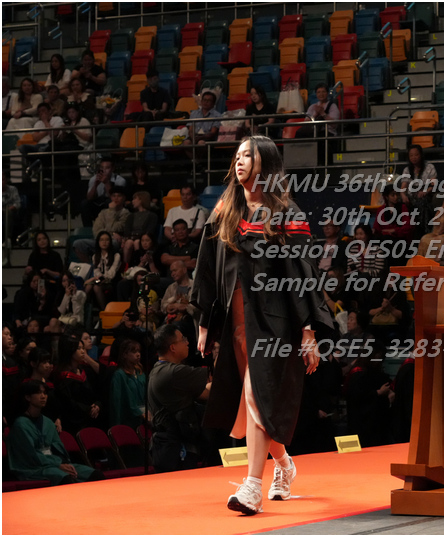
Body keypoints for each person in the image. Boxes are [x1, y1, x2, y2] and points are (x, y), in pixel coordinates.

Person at [190, 135, 333, 515]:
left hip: (276, 325)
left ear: (265, 163)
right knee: (258, 403)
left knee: (256, 396)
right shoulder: (226, 209)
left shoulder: (286, 212)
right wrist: (204, 323)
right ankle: (283, 464)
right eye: (237, 156)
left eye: (247, 156)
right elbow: (207, 267)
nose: (239, 162)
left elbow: (303, 275)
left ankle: (252, 487)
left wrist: (308, 332)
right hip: (237, 327)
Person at [7, 380, 104, 485]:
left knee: (95, 474)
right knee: (64, 477)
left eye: (45, 393)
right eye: (38, 393)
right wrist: (57, 465)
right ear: (28, 397)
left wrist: (63, 464)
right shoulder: (21, 424)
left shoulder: (48, 422)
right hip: (34, 468)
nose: (43, 396)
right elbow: (30, 455)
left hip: (54, 463)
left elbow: (58, 447)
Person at [149, 325, 211, 472]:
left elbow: (205, 394)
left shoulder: (160, 369)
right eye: (183, 339)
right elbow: (213, 382)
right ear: (172, 347)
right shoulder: (173, 372)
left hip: (170, 445)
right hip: (173, 448)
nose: (187, 342)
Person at [55, 335, 106, 434]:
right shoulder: (63, 376)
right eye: (79, 349)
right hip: (74, 421)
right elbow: (68, 403)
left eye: (83, 348)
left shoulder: (86, 371)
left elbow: (97, 391)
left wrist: (97, 404)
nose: (83, 351)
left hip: (93, 417)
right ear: (70, 351)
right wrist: (88, 409)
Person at [75, 187, 130, 263]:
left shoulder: (125, 213)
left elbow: (116, 227)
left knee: (111, 243)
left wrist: (112, 211)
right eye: (114, 196)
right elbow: (96, 229)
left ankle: (108, 265)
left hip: (115, 241)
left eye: (119, 196)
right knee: (78, 244)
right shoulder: (103, 212)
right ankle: (91, 266)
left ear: (123, 198)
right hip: (101, 239)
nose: (116, 198)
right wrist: (111, 234)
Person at [400, 145, 437, 238]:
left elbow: (433, 184)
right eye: (411, 155)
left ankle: (423, 231)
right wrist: (403, 195)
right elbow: (403, 187)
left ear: (421, 155)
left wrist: (425, 192)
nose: (414, 157)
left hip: (426, 194)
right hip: (411, 195)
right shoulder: (407, 170)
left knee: (422, 202)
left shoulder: (429, 167)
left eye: (416, 155)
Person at [108, 339, 146, 429]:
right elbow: (119, 401)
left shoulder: (140, 373)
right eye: (134, 352)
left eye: (138, 351)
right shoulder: (119, 375)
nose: (138, 354)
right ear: (124, 354)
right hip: (128, 419)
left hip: (143, 417)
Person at [81, 156, 127, 227]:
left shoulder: (120, 180)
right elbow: (89, 198)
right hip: (98, 203)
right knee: (84, 204)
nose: (104, 170)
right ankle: (88, 229)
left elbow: (115, 199)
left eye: (107, 168)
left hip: (111, 204)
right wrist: (95, 185)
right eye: (102, 168)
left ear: (113, 169)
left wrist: (106, 183)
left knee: (109, 202)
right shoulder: (93, 179)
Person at [17, 102, 64, 170]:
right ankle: (38, 164)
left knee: (44, 150)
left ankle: (38, 165)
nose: (42, 113)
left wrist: (45, 122)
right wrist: (48, 130)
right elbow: (35, 138)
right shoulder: (38, 123)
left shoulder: (57, 119)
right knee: (22, 147)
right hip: (38, 146)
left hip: (51, 145)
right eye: (39, 112)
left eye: (43, 110)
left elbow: (53, 135)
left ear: (49, 111)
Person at [83, 231, 122, 310]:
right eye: (102, 240)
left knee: (96, 287)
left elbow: (111, 274)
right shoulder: (95, 256)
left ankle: (104, 310)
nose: (104, 242)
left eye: (107, 240)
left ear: (110, 242)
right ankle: (83, 309)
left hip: (111, 282)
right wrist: (99, 278)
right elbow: (96, 271)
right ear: (98, 242)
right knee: (89, 286)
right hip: (100, 280)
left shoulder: (116, 255)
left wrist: (102, 278)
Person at [121, 191, 159, 265]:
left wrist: (138, 237)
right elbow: (127, 230)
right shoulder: (131, 216)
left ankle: (140, 264)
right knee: (129, 243)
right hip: (131, 238)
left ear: (142, 200)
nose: (133, 201)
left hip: (143, 238)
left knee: (137, 242)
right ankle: (126, 266)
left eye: (135, 199)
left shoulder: (152, 216)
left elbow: (150, 231)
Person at [183, 90, 221, 156]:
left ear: (213, 103)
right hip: (194, 136)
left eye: (209, 100)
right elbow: (191, 130)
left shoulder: (217, 115)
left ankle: (198, 160)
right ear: (201, 101)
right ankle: (195, 160)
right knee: (186, 143)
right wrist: (193, 138)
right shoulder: (194, 113)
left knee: (201, 143)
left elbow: (213, 132)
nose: (206, 102)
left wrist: (202, 137)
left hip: (207, 137)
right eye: (204, 100)